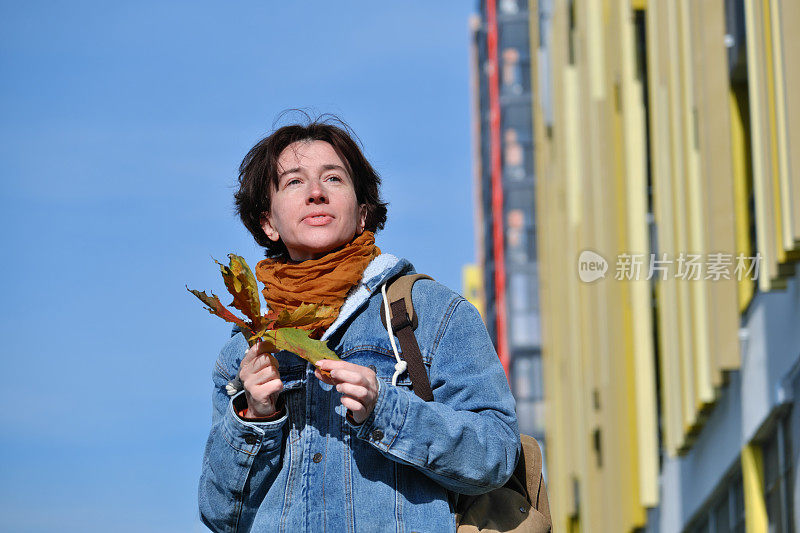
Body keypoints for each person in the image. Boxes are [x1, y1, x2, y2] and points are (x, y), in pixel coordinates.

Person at [198, 117, 520, 532]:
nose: (316, 193)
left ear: (363, 212)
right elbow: (223, 515)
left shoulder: (431, 313)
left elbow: (495, 454)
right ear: (268, 222)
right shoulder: (244, 352)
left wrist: (385, 409)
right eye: (294, 182)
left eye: (333, 178)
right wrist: (255, 416)